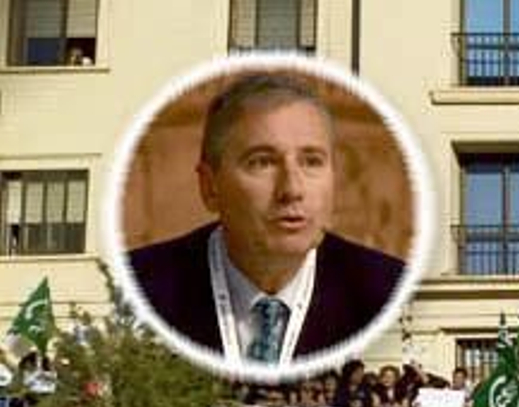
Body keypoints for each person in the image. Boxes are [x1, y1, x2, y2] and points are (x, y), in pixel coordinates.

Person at [128, 73, 404, 366]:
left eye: (311, 161)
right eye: (262, 162)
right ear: (210, 186)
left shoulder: (386, 291)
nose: (292, 190)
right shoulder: (140, 288)